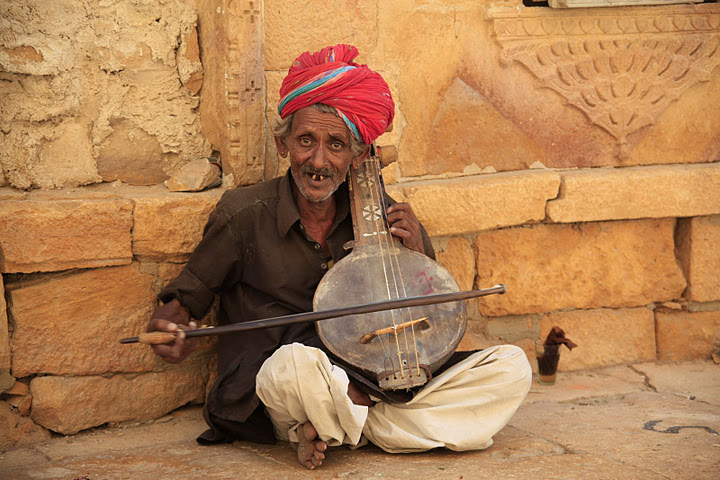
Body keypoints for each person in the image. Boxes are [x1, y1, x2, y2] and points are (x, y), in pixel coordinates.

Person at [148, 44, 531, 470]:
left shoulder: (382, 215)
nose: (318, 160)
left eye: (336, 145)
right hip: (289, 383)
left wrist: (418, 255)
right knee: (295, 364)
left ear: (359, 155)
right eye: (305, 141)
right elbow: (187, 296)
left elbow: (433, 322)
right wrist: (170, 324)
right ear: (283, 143)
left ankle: (339, 426)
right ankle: (376, 423)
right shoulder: (243, 215)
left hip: (369, 379)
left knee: (511, 367)